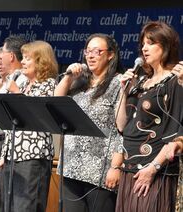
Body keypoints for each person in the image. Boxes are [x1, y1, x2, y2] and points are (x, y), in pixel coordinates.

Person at [115, 21, 183, 212]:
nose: (144, 48)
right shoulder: (141, 81)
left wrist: (153, 168)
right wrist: (123, 91)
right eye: (143, 44)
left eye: (151, 43)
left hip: (153, 169)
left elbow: (174, 131)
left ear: (166, 45)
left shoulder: (175, 80)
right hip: (130, 168)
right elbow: (121, 126)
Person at [54, 33, 124, 212]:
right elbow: (55, 103)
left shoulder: (118, 83)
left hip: (100, 170)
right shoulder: (80, 82)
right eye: (88, 51)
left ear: (110, 55)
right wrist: (69, 76)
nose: (91, 56)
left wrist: (116, 166)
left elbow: (122, 129)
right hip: (71, 166)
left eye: (97, 51)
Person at [0, 40, 58, 212]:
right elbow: (11, 124)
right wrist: (5, 153)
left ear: (41, 61)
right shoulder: (23, 83)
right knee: (9, 207)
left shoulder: (49, 85)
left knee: (26, 207)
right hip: (13, 156)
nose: (22, 62)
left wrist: (16, 93)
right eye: (22, 58)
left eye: (27, 58)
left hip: (33, 157)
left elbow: (37, 117)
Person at [0, 37, 27, 212]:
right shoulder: (9, 80)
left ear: (11, 55)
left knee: (7, 196)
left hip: (12, 142)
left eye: (2, 56)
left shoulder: (22, 79)